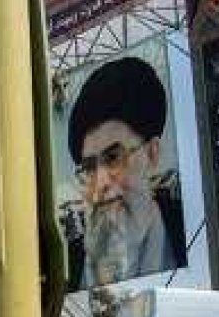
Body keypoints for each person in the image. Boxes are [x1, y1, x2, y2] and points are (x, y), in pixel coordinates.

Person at [68, 56, 186, 288]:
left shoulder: (188, 237)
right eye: (89, 168)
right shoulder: (67, 269)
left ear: (152, 154)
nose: (101, 183)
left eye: (113, 158)